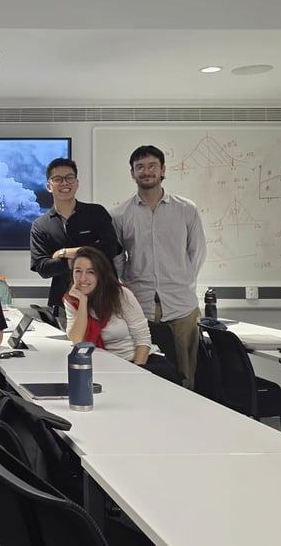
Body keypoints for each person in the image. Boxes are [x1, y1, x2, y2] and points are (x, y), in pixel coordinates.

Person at [112, 145, 207, 389]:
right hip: (140, 307)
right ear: (132, 173)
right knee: (145, 375)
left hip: (181, 307)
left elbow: (196, 252)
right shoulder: (120, 214)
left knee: (186, 377)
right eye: (140, 167)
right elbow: (118, 258)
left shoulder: (186, 209)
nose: (147, 171)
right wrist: (128, 287)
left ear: (163, 170)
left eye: (152, 166)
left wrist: (182, 281)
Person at [30, 157, 120, 322]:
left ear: (77, 183)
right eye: (58, 179)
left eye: (69, 178)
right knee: (69, 340)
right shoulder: (40, 225)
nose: (65, 183)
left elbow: (110, 248)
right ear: (49, 186)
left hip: (104, 299)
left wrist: (65, 253)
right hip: (65, 303)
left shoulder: (96, 213)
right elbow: (43, 267)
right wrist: (85, 257)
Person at [63, 246, 151, 365]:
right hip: (101, 364)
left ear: (101, 274)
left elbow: (143, 339)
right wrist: (83, 302)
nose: (83, 278)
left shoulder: (120, 294)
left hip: (135, 362)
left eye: (91, 272)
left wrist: (137, 371)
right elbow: (77, 340)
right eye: (78, 271)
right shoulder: (73, 299)